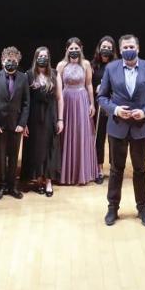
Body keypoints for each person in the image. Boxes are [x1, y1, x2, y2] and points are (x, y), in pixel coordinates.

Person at [97, 34, 145, 226]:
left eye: (131, 46)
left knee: (140, 170)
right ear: (121, 49)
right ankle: (112, 208)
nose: (128, 50)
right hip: (117, 127)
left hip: (140, 128)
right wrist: (115, 110)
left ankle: (143, 208)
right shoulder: (111, 68)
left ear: (138, 48)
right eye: (125, 47)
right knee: (116, 170)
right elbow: (102, 97)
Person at [0, 46, 30, 200]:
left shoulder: (23, 78)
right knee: (1, 156)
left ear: (17, 61)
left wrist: (22, 123)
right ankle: (1, 186)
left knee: (13, 157)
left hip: (16, 125)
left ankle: (12, 186)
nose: (10, 62)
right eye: (8, 60)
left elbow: (26, 103)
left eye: (13, 60)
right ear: (2, 61)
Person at [20, 47, 61, 196]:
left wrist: (60, 119)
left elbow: (59, 98)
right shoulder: (28, 75)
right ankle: (38, 180)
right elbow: (25, 101)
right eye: (40, 56)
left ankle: (48, 181)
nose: (43, 58)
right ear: (36, 58)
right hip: (34, 118)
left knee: (50, 148)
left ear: (49, 58)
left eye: (45, 56)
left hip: (50, 116)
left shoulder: (55, 74)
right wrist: (23, 123)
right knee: (37, 150)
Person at [58, 38, 98, 186]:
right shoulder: (61, 65)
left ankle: (82, 172)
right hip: (67, 99)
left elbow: (89, 85)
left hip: (82, 100)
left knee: (82, 134)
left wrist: (92, 104)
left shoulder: (86, 64)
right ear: (66, 49)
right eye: (71, 48)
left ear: (81, 48)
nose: (74, 50)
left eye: (76, 48)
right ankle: (66, 173)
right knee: (67, 135)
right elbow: (58, 87)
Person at [90, 36, 116, 184]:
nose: (106, 49)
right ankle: (99, 168)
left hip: (112, 106)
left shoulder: (117, 65)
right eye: (103, 46)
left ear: (113, 50)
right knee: (99, 138)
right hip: (98, 105)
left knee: (113, 139)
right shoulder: (93, 65)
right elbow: (88, 84)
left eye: (109, 47)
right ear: (99, 48)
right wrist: (96, 89)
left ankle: (114, 168)